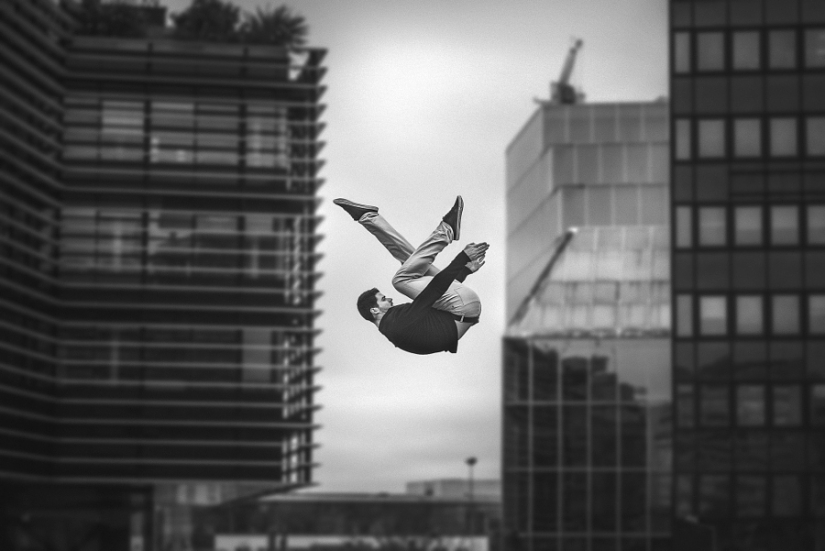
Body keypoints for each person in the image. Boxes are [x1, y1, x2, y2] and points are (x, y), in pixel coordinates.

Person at [333, 196, 488, 355]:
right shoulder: (397, 324)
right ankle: (447, 230)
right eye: (383, 299)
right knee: (400, 281)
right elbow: (433, 292)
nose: (390, 299)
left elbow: (438, 295)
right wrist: (462, 258)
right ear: (375, 310)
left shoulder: (392, 326)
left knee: (411, 262)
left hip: (461, 309)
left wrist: (465, 271)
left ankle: (368, 217)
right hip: (461, 308)